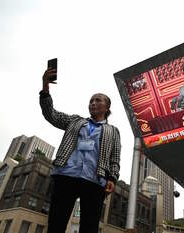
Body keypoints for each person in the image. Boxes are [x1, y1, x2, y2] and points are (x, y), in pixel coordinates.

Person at [40, 68, 121, 233]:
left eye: (98, 100)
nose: (93, 103)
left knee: (89, 227)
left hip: (94, 180)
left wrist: (112, 177)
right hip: (66, 175)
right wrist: (45, 87)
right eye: (91, 100)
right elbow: (51, 115)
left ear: (107, 107)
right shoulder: (75, 121)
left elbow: (115, 157)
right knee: (56, 224)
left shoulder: (113, 130)